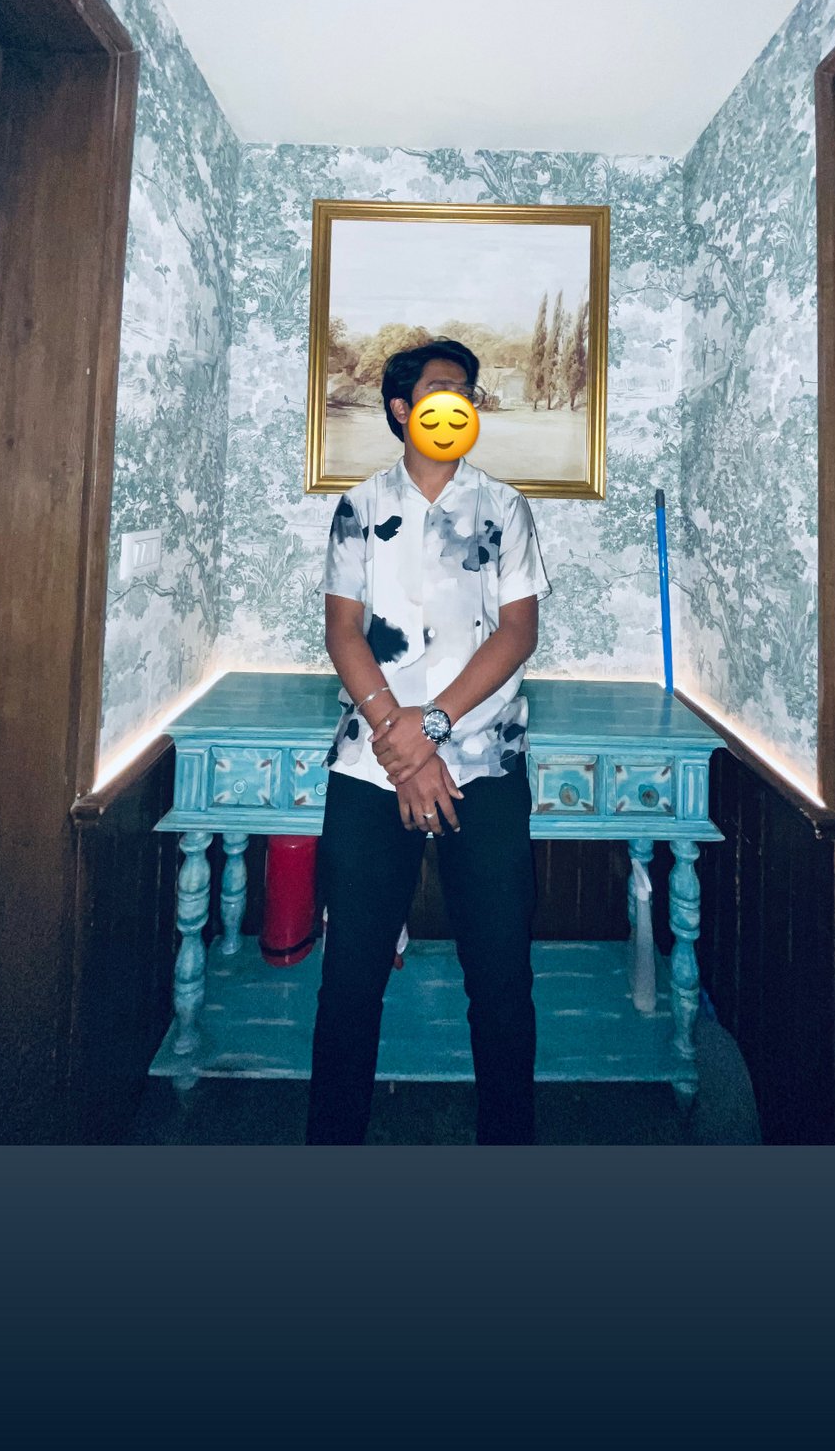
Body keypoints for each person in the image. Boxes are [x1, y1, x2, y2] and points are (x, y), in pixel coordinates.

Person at [306, 338, 551, 1145]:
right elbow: (343, 631)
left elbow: (516, 632)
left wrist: (432, 725)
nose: (459, 402)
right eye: (442, 389)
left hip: (483, 760)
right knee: (349, 979)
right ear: (402, 409)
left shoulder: (504, 508)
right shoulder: (358, 506)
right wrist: (397, 734)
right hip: (371, 763)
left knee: (501, 979)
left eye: (467, 391)